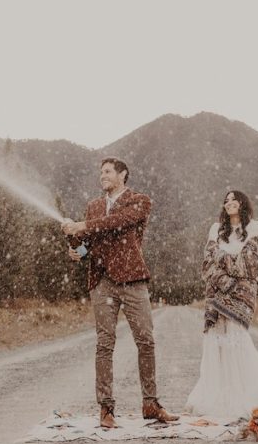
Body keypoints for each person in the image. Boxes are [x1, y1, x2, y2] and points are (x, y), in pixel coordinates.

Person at [62, 157, 178, 429]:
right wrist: (75, 244)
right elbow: (89, 244)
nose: (102, 176)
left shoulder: (140, 201)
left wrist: (82, 226)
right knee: (105, 344)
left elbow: (118, 223)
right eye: (100, 172)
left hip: (133, 280)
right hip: (102, 282)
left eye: (107, 172)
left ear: (122, 175)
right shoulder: (93, 206)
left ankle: (150, 403)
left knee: (146, 341)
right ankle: (106, 408)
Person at [185, 190, 258, 419]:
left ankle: (243, 395)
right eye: (226, 200)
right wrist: (226, 275)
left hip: (241, 295)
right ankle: (219, 396)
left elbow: (249, 264)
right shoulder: (215, 229)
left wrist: (222, 261)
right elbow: (207, 265)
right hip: (216, 293)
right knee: (217, 343)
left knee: (236, 340)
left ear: (242, 203)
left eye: (234, 199)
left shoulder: (254, 227)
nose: (230, 203)